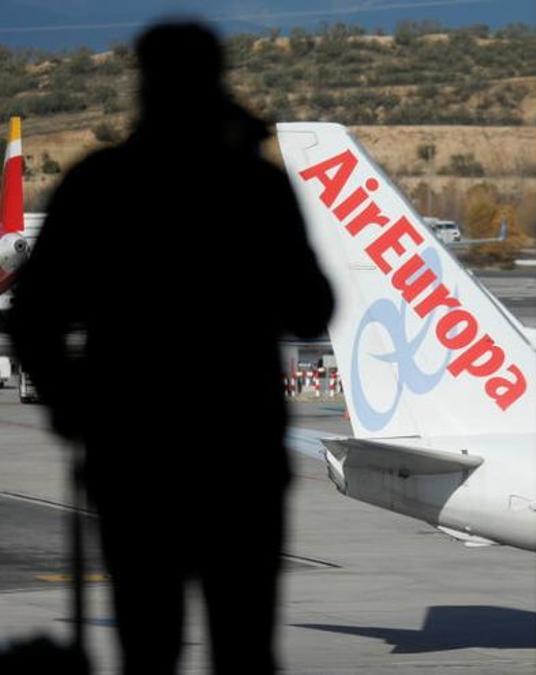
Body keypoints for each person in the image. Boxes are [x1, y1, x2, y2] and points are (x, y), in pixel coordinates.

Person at [9, 21, 333, 674]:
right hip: (236, 456)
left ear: (144, 83)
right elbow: (312, 309)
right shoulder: (253, 188)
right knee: (244, 646)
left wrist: (74, 406)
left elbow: (33, 317)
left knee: (146, 643)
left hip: (134, 456)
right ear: (216, 80)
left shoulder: (100, 184)